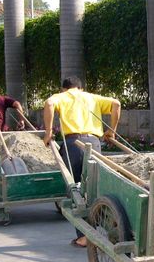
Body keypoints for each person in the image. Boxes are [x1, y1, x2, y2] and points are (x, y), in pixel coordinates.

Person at [42, 76, 121, 247]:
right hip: (94, 143)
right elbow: (116, 104)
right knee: (94, 187)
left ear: (64, 89)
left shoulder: (62, 97)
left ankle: (84, 236)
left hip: (74, 144)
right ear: (81, 88)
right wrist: (111, 131)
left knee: (76, 189)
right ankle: (110, 223)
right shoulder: (92, 97)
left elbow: (48, 104)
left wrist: (48, 133)